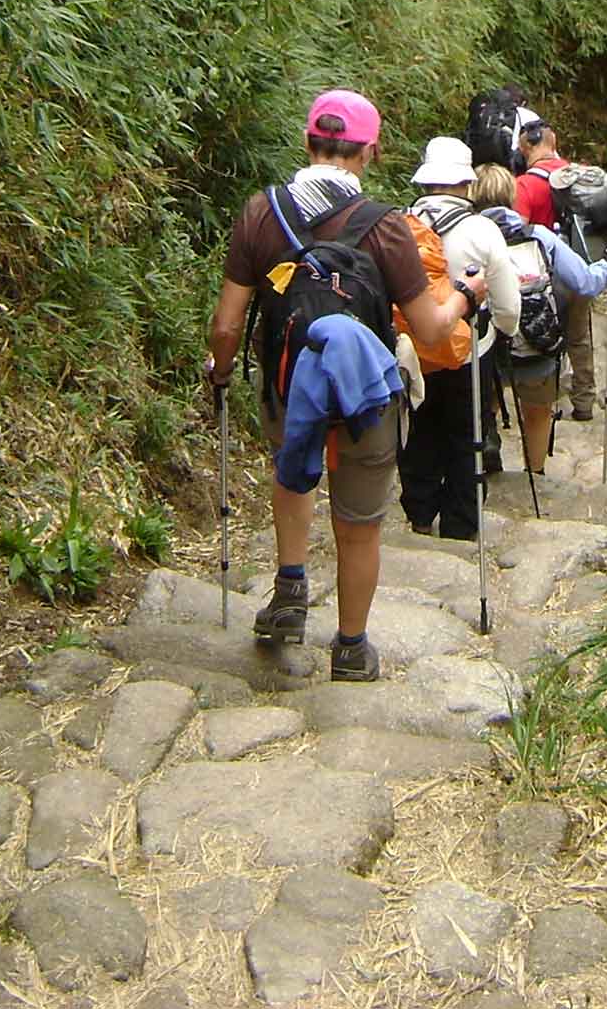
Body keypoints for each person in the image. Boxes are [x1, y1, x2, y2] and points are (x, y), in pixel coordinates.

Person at [204, 90, 476, 681]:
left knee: (293, 472)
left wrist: (221, 372)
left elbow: (226, 326)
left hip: (288, 383)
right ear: (370, 152)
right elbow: (432, 329)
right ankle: (351, 648)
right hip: (364, 394)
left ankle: (290, 592)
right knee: (359, 523)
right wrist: (465, 295)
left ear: (308, 142)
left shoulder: (261, 213)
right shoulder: (387, 227)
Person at [399, 137, 520, 539]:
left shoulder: (400, 224)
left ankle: (419, 515)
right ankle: (461, 526)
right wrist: (504, 332)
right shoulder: (482, 230)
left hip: (412, 349)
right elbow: (507, 304)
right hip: (469, 349)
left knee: (418, 432)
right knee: (466, 436)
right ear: (467, 184)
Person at [474, 163, 607, 479]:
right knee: (538, 412)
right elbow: (584, 282)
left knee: (485, 399)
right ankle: (535, 474)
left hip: (484, 346)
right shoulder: (539, 236)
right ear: (511, 196)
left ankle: (488, 450)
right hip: (536, 342)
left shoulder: (465, 238)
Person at [512, 111, 607, 421]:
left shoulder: (524, 185)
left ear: (526, 148)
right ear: (554, 143)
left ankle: (547, 403)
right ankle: (584, 402)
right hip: (582, 267)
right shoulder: (579, 179)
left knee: (547, 337)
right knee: (579, 337)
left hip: (545, 275)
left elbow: (517, 232)